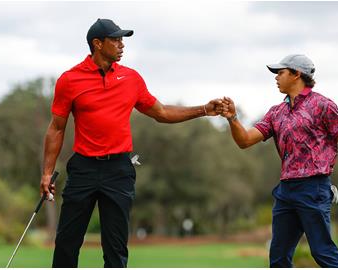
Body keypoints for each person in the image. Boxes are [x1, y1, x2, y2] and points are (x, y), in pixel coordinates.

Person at [40, 18, 223, 268]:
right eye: (115, 40)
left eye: (121, 39)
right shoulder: (70, 80)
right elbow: (56, 128)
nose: (121, 44)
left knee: (116, 248)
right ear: (97, 43)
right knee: (67, 243)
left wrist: (204, 109)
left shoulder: (131, 78)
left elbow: (162, 113)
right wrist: (47, 173)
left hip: (119, 171)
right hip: (83, 168)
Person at [220, 54, 338, 267]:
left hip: (314, 187)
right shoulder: (276, 112)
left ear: (296, 74)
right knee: (278, 257)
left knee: (322, 251)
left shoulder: (323, 105)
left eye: (280, 72)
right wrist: (233, 118)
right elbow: (245, 140)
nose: (276, 77)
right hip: (286, 191)